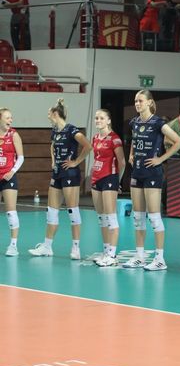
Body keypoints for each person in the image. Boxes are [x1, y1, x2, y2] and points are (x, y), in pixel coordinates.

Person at [123, 90, 180, 271]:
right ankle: (140, 256)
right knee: (138, 217)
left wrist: (161, 159)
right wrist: (131, 154)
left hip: (152, 173)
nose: (137, 104)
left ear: (149, 102)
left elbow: (179, 142)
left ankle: (159, 258)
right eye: (135, 101)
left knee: (154, 217)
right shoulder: (134, 122)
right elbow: (135, 141)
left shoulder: (158, 123)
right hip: (137, 172)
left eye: (140, 101)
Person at [29, 99, 92, 259]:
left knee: (72, 210)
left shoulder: (71, 130)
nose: (48, 116)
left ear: (56, 114)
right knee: (51, 211)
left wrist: (76, 162)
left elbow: (88, 146)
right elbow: (52, 146)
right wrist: (53, 160)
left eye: (49, 114)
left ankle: (76, 248)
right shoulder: (55, 131)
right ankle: (47, 247)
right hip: (57, 173)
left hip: (70, 174)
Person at [90, 109, 126, 267]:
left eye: (101, 118)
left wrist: (118, 181)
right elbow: (97, 158)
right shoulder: (95, 138)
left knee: (111, 217)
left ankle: (112, 255)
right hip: (96, 179)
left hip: (109, 178)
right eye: (96, 118)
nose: (98, 120)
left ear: (109, 120)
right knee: (101, 218)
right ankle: (105, 251)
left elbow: (122, 162)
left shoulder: (114, 139)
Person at [0, 108, 23, 256]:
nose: (10, 120)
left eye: (11, 117)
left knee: (10, 211)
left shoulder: (14, 135)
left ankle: (13, 245)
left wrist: (12, 171)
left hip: (8, 177)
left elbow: (21, 157)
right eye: (7, 117)